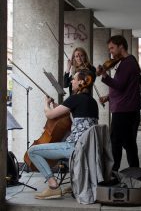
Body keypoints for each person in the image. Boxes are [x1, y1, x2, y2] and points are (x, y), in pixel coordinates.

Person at [28, 69, 99, 199]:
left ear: (81, 82)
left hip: (75, 147)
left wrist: (46, 104)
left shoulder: (75, 98)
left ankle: (53, 186)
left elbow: (49, 114)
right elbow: (68, 112)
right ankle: (75, 183)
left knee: (32, 151)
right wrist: (56, 105)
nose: (71, 81)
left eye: (74, 79)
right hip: (88, 147)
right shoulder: (92, 101)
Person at [96, 35, 141, 171]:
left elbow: (120, 85)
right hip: (127, 110)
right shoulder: (127, 62)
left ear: (121, 46)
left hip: (124, 111)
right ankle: (134, 171)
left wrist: (104, 75)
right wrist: (108, 96)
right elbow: (125, 89)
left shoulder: (128, 63)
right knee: (129, 144)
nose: (110, 51)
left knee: (116, 143)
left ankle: (113, 173)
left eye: (112, 48)